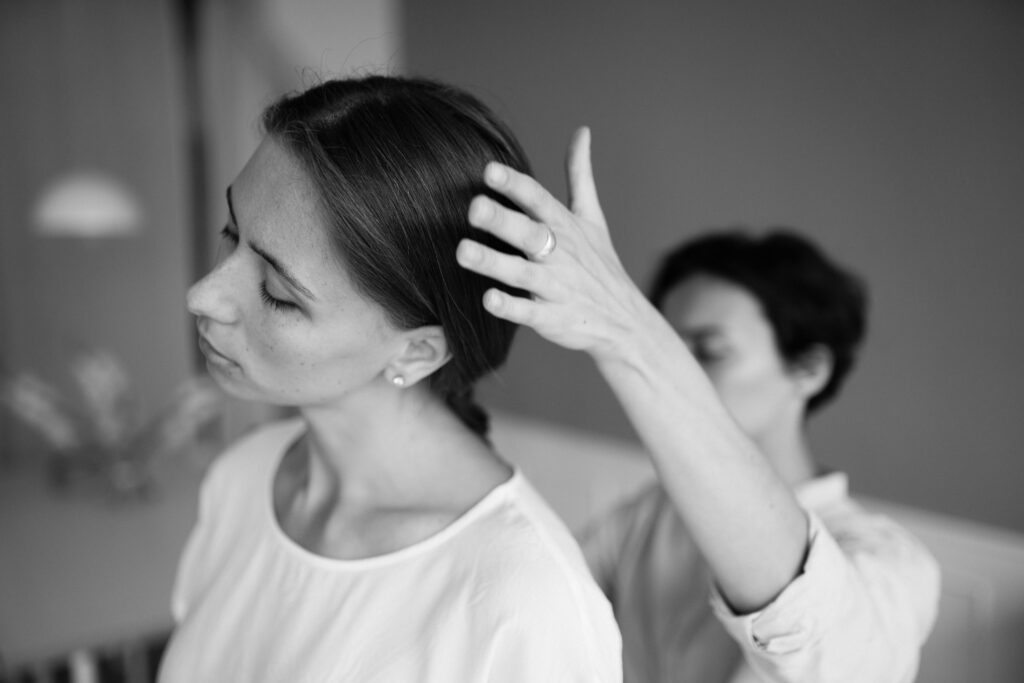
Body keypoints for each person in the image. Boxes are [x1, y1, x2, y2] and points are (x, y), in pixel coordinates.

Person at [157, 77, 621, 682]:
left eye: (276, 293)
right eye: (230, 233)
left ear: (417, 351)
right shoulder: (241, 479)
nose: (202, 295)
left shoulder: (527, 605)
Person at [456, 128, 941, 683]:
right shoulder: (650, 516)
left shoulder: (890, 563)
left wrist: (632, 336)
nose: (681, 372)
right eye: (672, 345)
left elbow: (835, 659)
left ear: (809, 369)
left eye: (708, 351)